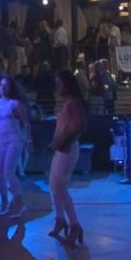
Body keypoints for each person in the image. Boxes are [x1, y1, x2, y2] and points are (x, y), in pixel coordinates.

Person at [0, 76, 31, 219]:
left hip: (14, 140)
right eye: (1, 85)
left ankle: (20, 203)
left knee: (9, 172)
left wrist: (30, 141)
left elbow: (26, 123)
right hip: (1, 142)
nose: (3, 88)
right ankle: (4, 202)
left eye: (6, 86)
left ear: (11, 88)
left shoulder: (15, 104)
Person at [48, 70, 87, 245]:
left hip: (67, 148)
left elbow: (79, 126)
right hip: (62, 148)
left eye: (59, 83)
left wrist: (61, 141)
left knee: (59, 187)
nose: (57, 86)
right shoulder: (69, 102)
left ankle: (74, 224)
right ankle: (60, 219)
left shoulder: (74, 102)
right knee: (53, 185)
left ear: (67, 84)